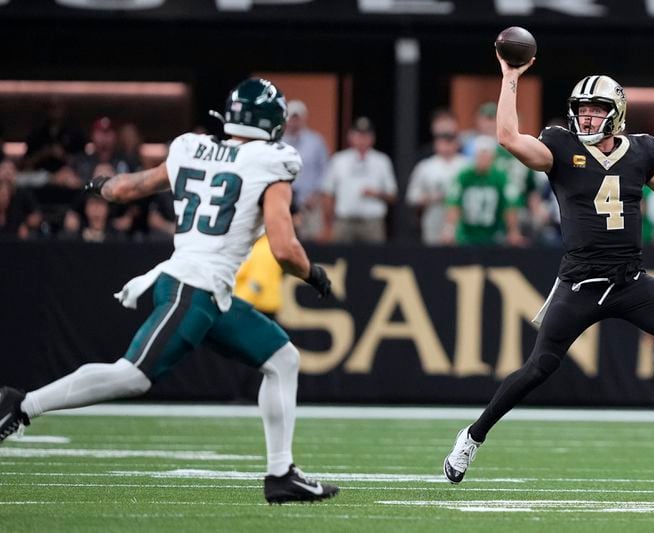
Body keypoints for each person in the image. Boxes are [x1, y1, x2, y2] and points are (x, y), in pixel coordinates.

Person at [0, 77, 339, 504]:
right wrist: (314, 275)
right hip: (192, 288)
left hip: (207, 292)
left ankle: (281, 474)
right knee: (133, 375)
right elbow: (285, 248)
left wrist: (99, 187)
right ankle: (20, 404)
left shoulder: (190, 147)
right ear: (272, 124)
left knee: (281, 358)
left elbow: (129, 187)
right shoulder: (272, 162)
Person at [442, 56, 654, 484]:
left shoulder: (642, 151)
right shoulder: (561, 147)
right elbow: (508, 138)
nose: (586, 115)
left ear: (616, 111)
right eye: (581, 109)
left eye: (595, 108)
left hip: (630, 280)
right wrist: (510, 78)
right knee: (539, 367)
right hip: (579, 283)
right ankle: (472, 436)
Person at [321, 117, 397, 243]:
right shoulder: (339, 160)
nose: (362, 140)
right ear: (350, 137)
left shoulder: (382, 161)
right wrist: (328, 223)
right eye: (358, 135)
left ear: (372, 138)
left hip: (372, 223)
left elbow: (392, 195)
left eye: (366, 136)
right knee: (341, 259)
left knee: (374, 259)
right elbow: (328, 192)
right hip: (345, 221)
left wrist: (377, 193)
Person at [441, 135, 525, 247]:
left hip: (495, 235)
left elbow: (510, 205)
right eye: (481, 155)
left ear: (493, 157)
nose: (483, 159)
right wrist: (449, 229)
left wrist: (513, 231)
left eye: (486, 155)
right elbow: (453, 203)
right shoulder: (463, 176)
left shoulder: (501, 177)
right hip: (466, 235)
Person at [405, 116, 468, 245]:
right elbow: (412, 196)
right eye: (443, 142)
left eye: (450, 141)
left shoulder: (465, 165)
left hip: (461, 214)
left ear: (456, 143)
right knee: (434, 254)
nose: (446, 146)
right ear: (436, 143)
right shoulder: (426, 166)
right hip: (434, 212)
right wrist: (430, 197)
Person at [283, 100, 329, 242]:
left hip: (309, 202)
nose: (294, 122)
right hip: (283, 201)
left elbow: (325, 171)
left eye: (297, 118)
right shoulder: (278, 141)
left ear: (304, 118)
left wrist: (316, 195)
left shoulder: (316, 141)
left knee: (312, 241)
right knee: (284, 238)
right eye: (291, 117)